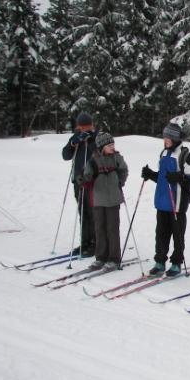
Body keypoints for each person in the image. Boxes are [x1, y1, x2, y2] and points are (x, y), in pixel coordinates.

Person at [141, 123, 190, 277]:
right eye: (164, 137)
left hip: (177, 204)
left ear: (175, 139)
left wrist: (180, 178)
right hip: (162, 202)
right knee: (161, 234)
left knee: (177, 235)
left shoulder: (185, 156)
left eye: (168, 138)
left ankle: (176, 263)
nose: (165, 140)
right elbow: (163, 178)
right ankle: (160, 262)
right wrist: (150, 174)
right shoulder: (163, 153)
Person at [80, 132, 128, 270]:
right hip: (98, 199)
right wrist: (83, 179)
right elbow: (87, 175)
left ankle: (114, 258)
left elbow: (124, 170)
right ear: (101, 147)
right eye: (109, 145)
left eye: (113, 144)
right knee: (100, 228)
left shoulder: (117, 157)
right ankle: (101, 257)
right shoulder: (93, 160)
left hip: (113, 199)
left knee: (112, 229)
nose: (112, 147)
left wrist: (120, 182)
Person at [61, 112, 98, 256]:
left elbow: (100, 154)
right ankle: (85, 242)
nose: (84, 129)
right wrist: (73, 143)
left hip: (92, 182)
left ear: (92, 125)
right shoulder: (76, 137)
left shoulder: (97, 137)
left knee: (92, 212)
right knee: (82, 212)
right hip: (78, 181)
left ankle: (95, 243)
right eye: (81, 127)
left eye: (87, 126)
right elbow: (65, 155)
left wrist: (90, 142)